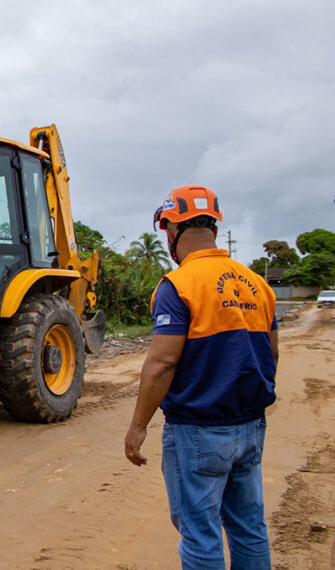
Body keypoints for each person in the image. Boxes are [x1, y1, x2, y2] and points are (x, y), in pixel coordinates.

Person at [124, 185, 279, 569]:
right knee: (249, 527)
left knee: (200, 534)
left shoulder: (178, 285)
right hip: (250, 426)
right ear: (214, 228)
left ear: (171, 231)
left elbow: (162, 364)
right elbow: (271, 354)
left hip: (197, 430)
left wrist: (138, 427)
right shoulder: (257, 284)